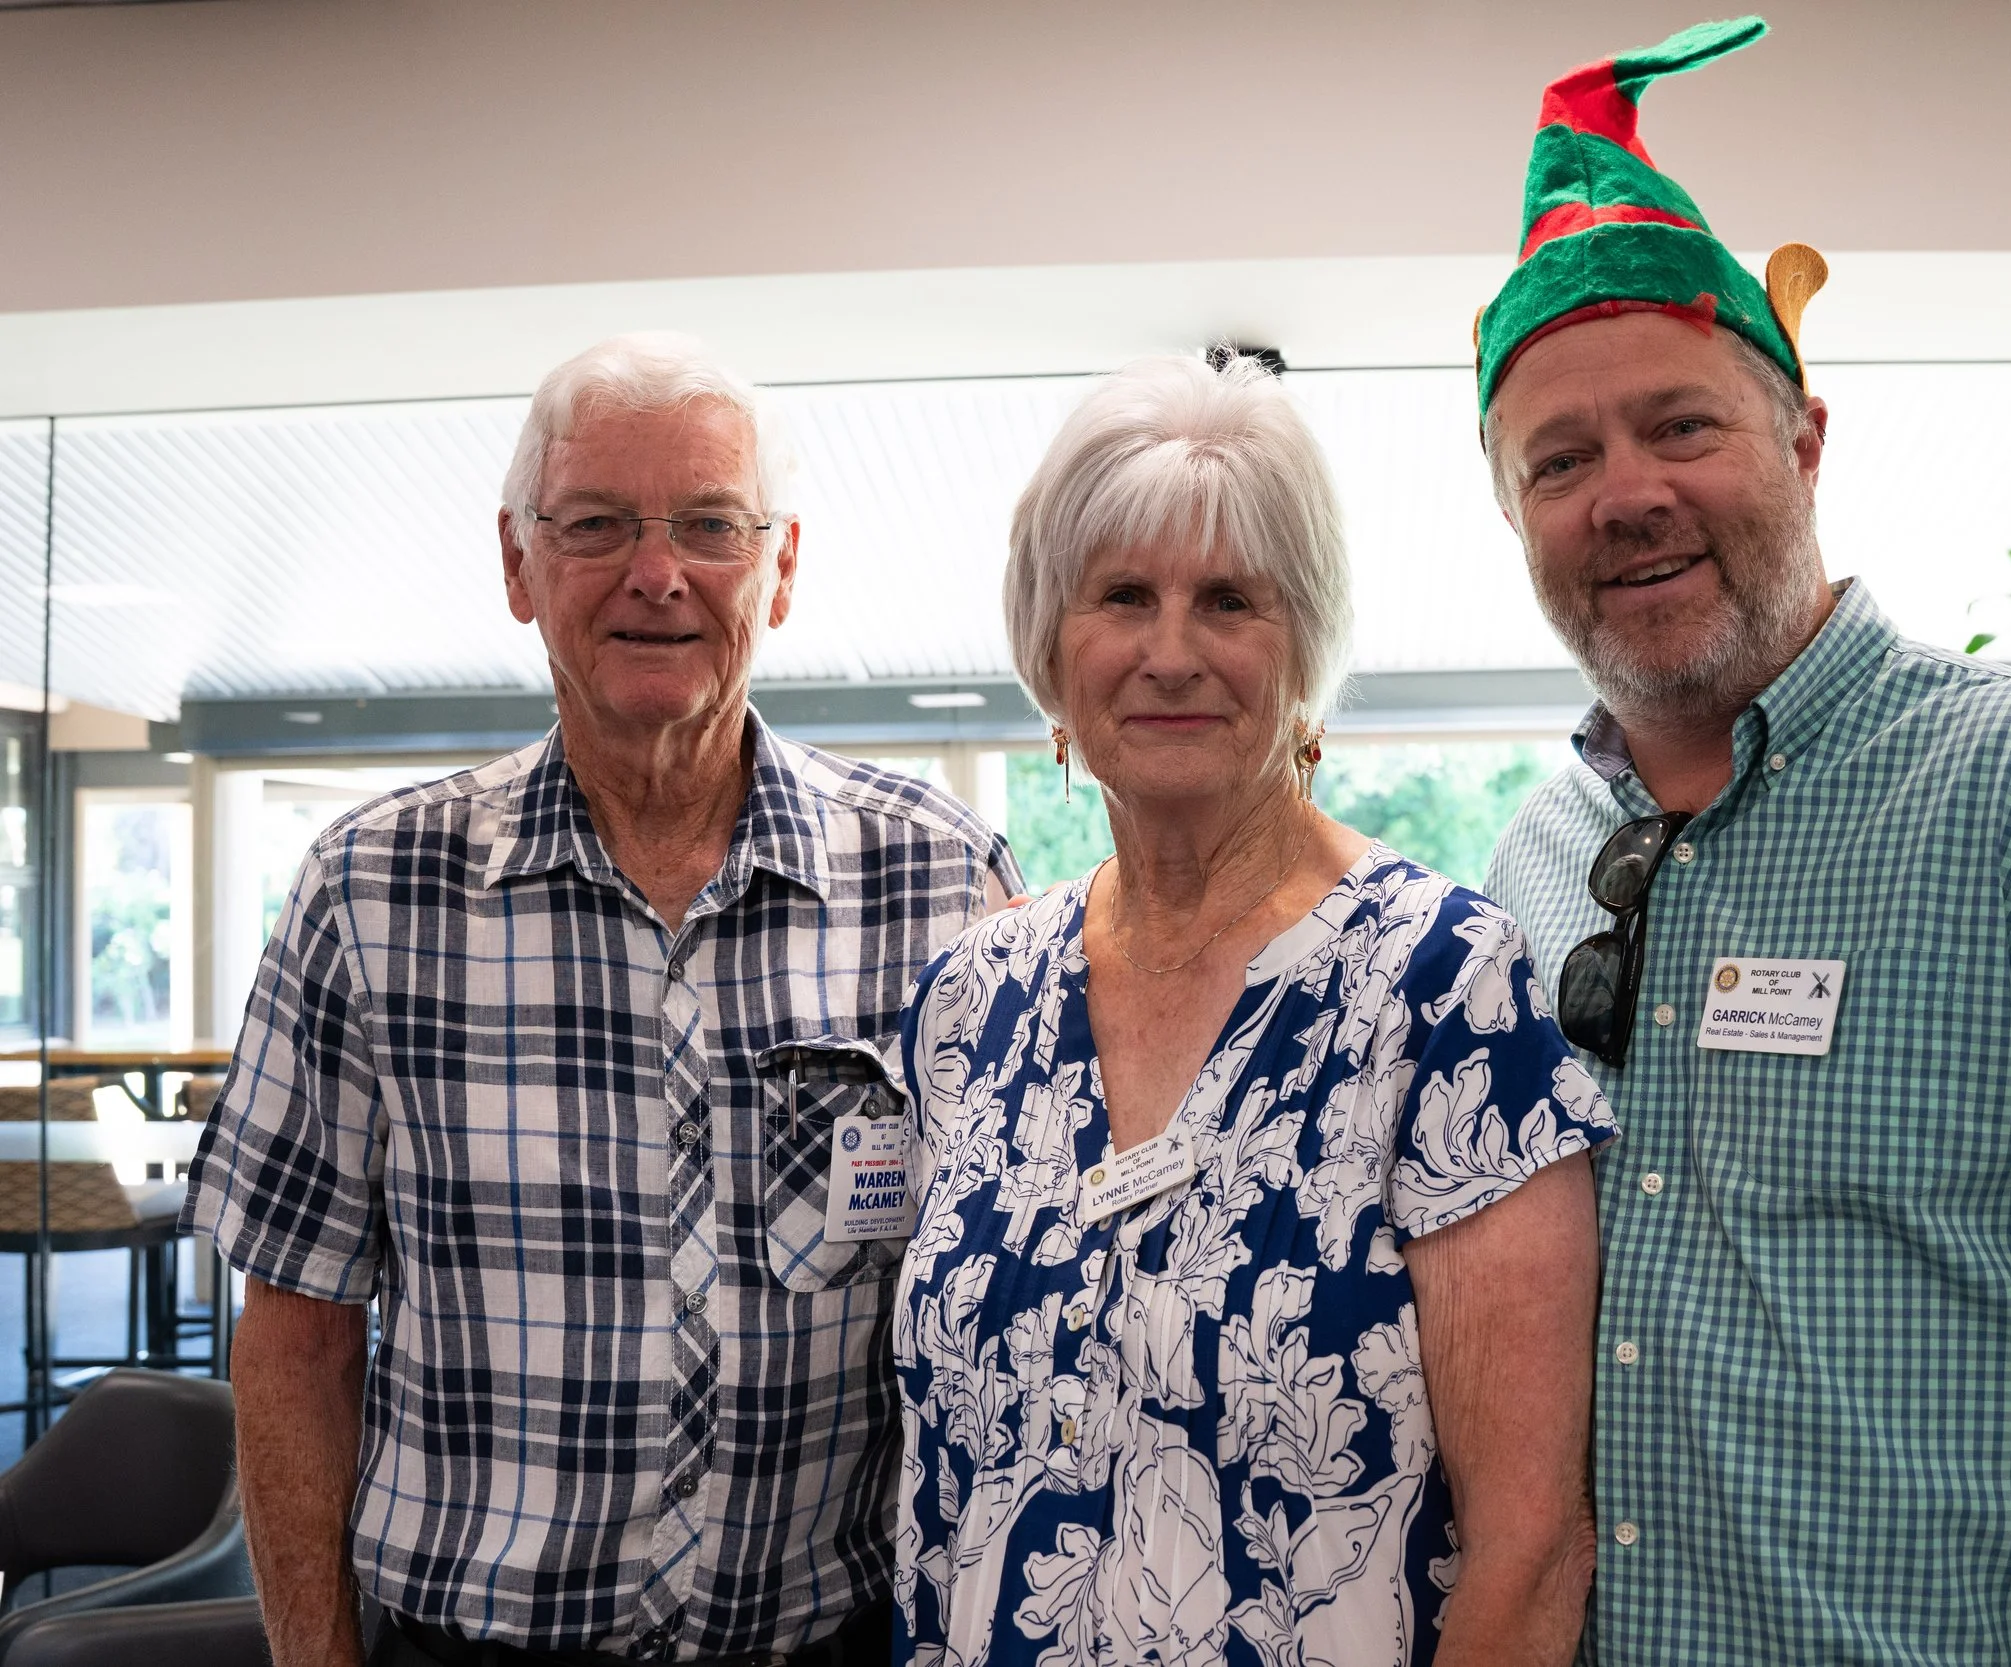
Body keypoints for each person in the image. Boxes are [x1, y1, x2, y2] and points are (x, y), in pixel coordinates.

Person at [1476, 20, 2011, 1666]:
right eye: (1562, 459)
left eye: (1683, 426)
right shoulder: (1528, 867)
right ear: (1514, 512)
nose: (1627, 493)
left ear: (1804, 440)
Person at [181, 333, 1019, 1667]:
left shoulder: (941, 880)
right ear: (519, 564)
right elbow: (295, 1342)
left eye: (710, 523)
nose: (656, 571)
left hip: (835, 1639)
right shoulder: (370, 891)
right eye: (596, 523)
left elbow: (997, 1313)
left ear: (782, 566)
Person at [889, 353, 1611, 1667]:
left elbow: (1533, 1547)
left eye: (1228, 598)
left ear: (1305, 651)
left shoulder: (1443, 986)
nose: (1171, 649)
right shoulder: (967, 1002)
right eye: (1123, 596)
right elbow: (940, 1501)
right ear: (1054, 650)